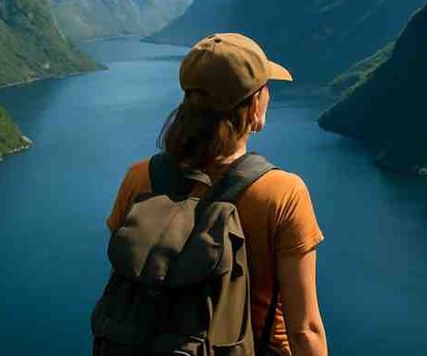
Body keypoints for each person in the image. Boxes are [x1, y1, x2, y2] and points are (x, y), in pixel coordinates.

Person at [104, 33, 328, 356]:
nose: (268, 95)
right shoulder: (283, 194)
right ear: (253, 105)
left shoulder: (138, 179)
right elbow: (305, 330)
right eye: (265, 88)